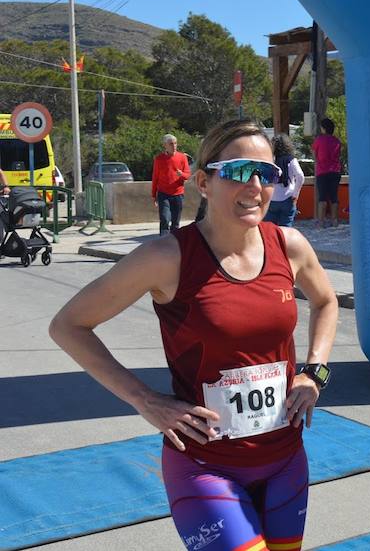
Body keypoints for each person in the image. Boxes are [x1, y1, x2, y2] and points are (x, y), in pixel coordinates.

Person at [49, 119, 339, 551]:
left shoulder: (290, 245)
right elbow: (69, 326)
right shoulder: (167, 257)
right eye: (241, 170)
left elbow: (326, 302)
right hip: (205, 465)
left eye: (268, 173)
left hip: (285, 459)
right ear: (204, 181)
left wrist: (314, 373)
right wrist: (145, 400)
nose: (256, 185)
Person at [151, 134, 192, 235]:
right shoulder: (159, 159)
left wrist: (181, 174)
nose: (174, 146)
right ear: (165, 145)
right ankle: (163, 242)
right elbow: (155, 177)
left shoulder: (182, 157)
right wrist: (154, 195)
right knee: (165, 218)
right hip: (163, 194)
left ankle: (174, 244)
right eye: (171, 144)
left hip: (178, 194)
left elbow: (187, 175)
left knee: (175, 222)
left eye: (175, 143)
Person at [265, 134, 305, 227]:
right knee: (286, 230)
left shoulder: (270, 160)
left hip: (271, 199)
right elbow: (300, 176)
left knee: (270, 229)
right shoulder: (291, 159)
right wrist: (295, 194)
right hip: (288, 198)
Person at [311, 118, 343, 228]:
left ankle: (321, 221)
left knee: (322, 197)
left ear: (323, 128)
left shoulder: (319, 140)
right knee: (334, 197)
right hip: (335, 171)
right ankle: (335, 220)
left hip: (322, 171)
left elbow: (315, 156)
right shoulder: (336, 141)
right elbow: (339, 155)